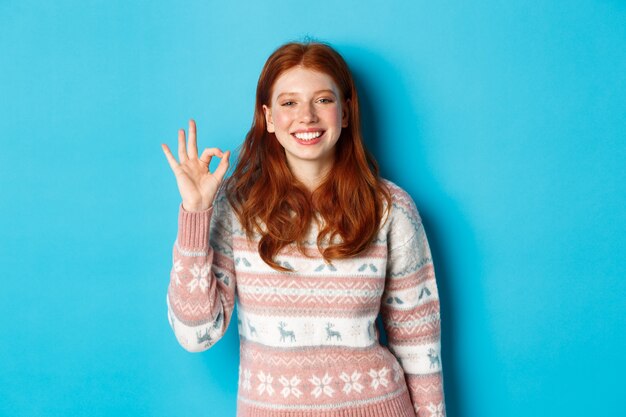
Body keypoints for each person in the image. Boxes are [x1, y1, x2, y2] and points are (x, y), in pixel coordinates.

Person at [161, 41, 447, 417]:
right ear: (268, 117)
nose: (307, 116)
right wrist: (196, 213)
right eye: (289, 102)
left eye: (324, 100)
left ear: (345, 112)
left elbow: (418, 342)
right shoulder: (236, 207)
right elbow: (196, 333)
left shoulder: (389, 209)